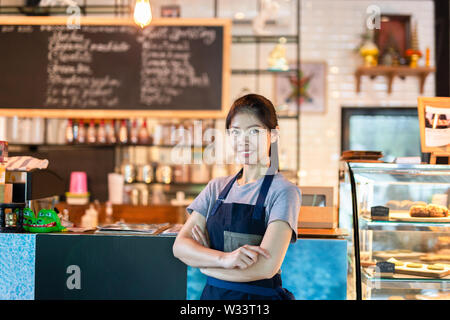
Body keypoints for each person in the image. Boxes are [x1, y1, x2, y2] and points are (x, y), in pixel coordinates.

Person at [173, 94, 302, 300]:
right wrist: (224, 259)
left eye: (254, 131)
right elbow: (180, 246)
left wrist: (206, 266)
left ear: (274, 135)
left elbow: (266, 267)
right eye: (235, 132)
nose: (243, 141)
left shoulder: (284, 191)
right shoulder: (216, 187)